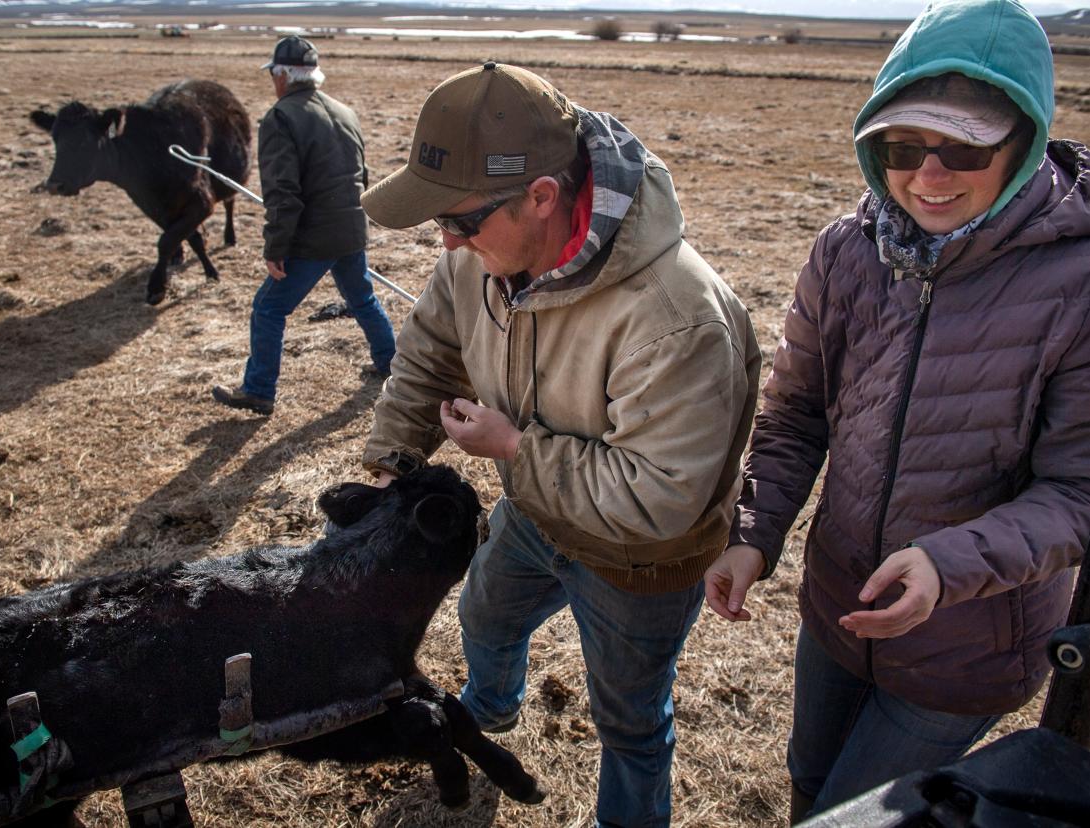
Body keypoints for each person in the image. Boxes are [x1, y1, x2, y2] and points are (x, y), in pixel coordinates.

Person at [703, 0, 1090, 821]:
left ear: (1022, 140)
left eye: (965, 147)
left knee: (865, 814)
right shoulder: (846, 249)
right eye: (904, 145)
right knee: (808, 784)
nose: (928, 174)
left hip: (966, 644)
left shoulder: (1076, 280)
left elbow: (1079, 491)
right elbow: (796, 411)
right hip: (838, 604)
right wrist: (753, 535)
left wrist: (946, 565)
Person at [358, 61, 761, 827]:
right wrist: (391, 462)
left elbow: (658, 498)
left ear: (542, 196)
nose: (445, 241)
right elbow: (430, 352)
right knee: (486, 616)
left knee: (630, 722)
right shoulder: (476, 259)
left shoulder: (675, 314)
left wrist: (514, 449)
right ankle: (489, 710)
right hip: (535, 515)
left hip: (639, 560)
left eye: (462, 220)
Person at [213, 35, 395, 416]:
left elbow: (283, 191)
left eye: (273, 75)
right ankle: (392, 365)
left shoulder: (280, 118)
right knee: (362, 300)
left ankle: (259, 389)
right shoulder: (345, 112)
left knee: (268, 308)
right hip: (351, 229)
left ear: (282, 76)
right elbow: (362, 174)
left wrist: (276, 246)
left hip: (314, 237)